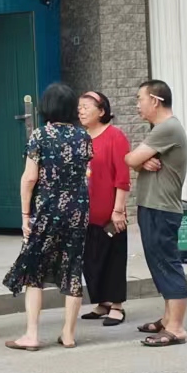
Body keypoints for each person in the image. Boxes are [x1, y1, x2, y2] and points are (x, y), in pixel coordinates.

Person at [3, 81, 91, 351]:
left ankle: (31, 335)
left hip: (48, 209)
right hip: (78, 209)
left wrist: (25, 214)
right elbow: (85, 173)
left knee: (35, 269)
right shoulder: (83, 136)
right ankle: (68, 334)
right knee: (73, 267)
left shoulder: (40, 136)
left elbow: (30, 178)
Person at [127, 78, 187, 347]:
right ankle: (167, 319)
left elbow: (130, 158)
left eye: (140, 99)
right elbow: (136, 162)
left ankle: (176, 328)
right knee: (159, 264)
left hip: (161, 208)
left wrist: (139, 161)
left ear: (155, 101)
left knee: (167, 264)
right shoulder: (162, 129)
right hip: (154, 206)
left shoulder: (167, 128)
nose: (138, 105)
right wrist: (142, 163)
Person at [78, 91, 132, 328]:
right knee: (91, 259)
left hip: (110, 214)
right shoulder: (81, 138)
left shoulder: (115, 136)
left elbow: (122, 177)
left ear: (101, 111)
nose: (81, 111)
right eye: (79, 107)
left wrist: (118, 210)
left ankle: (117, 306)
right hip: (85, 214)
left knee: (113, 258)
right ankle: (102, 302)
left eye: (86, 107)